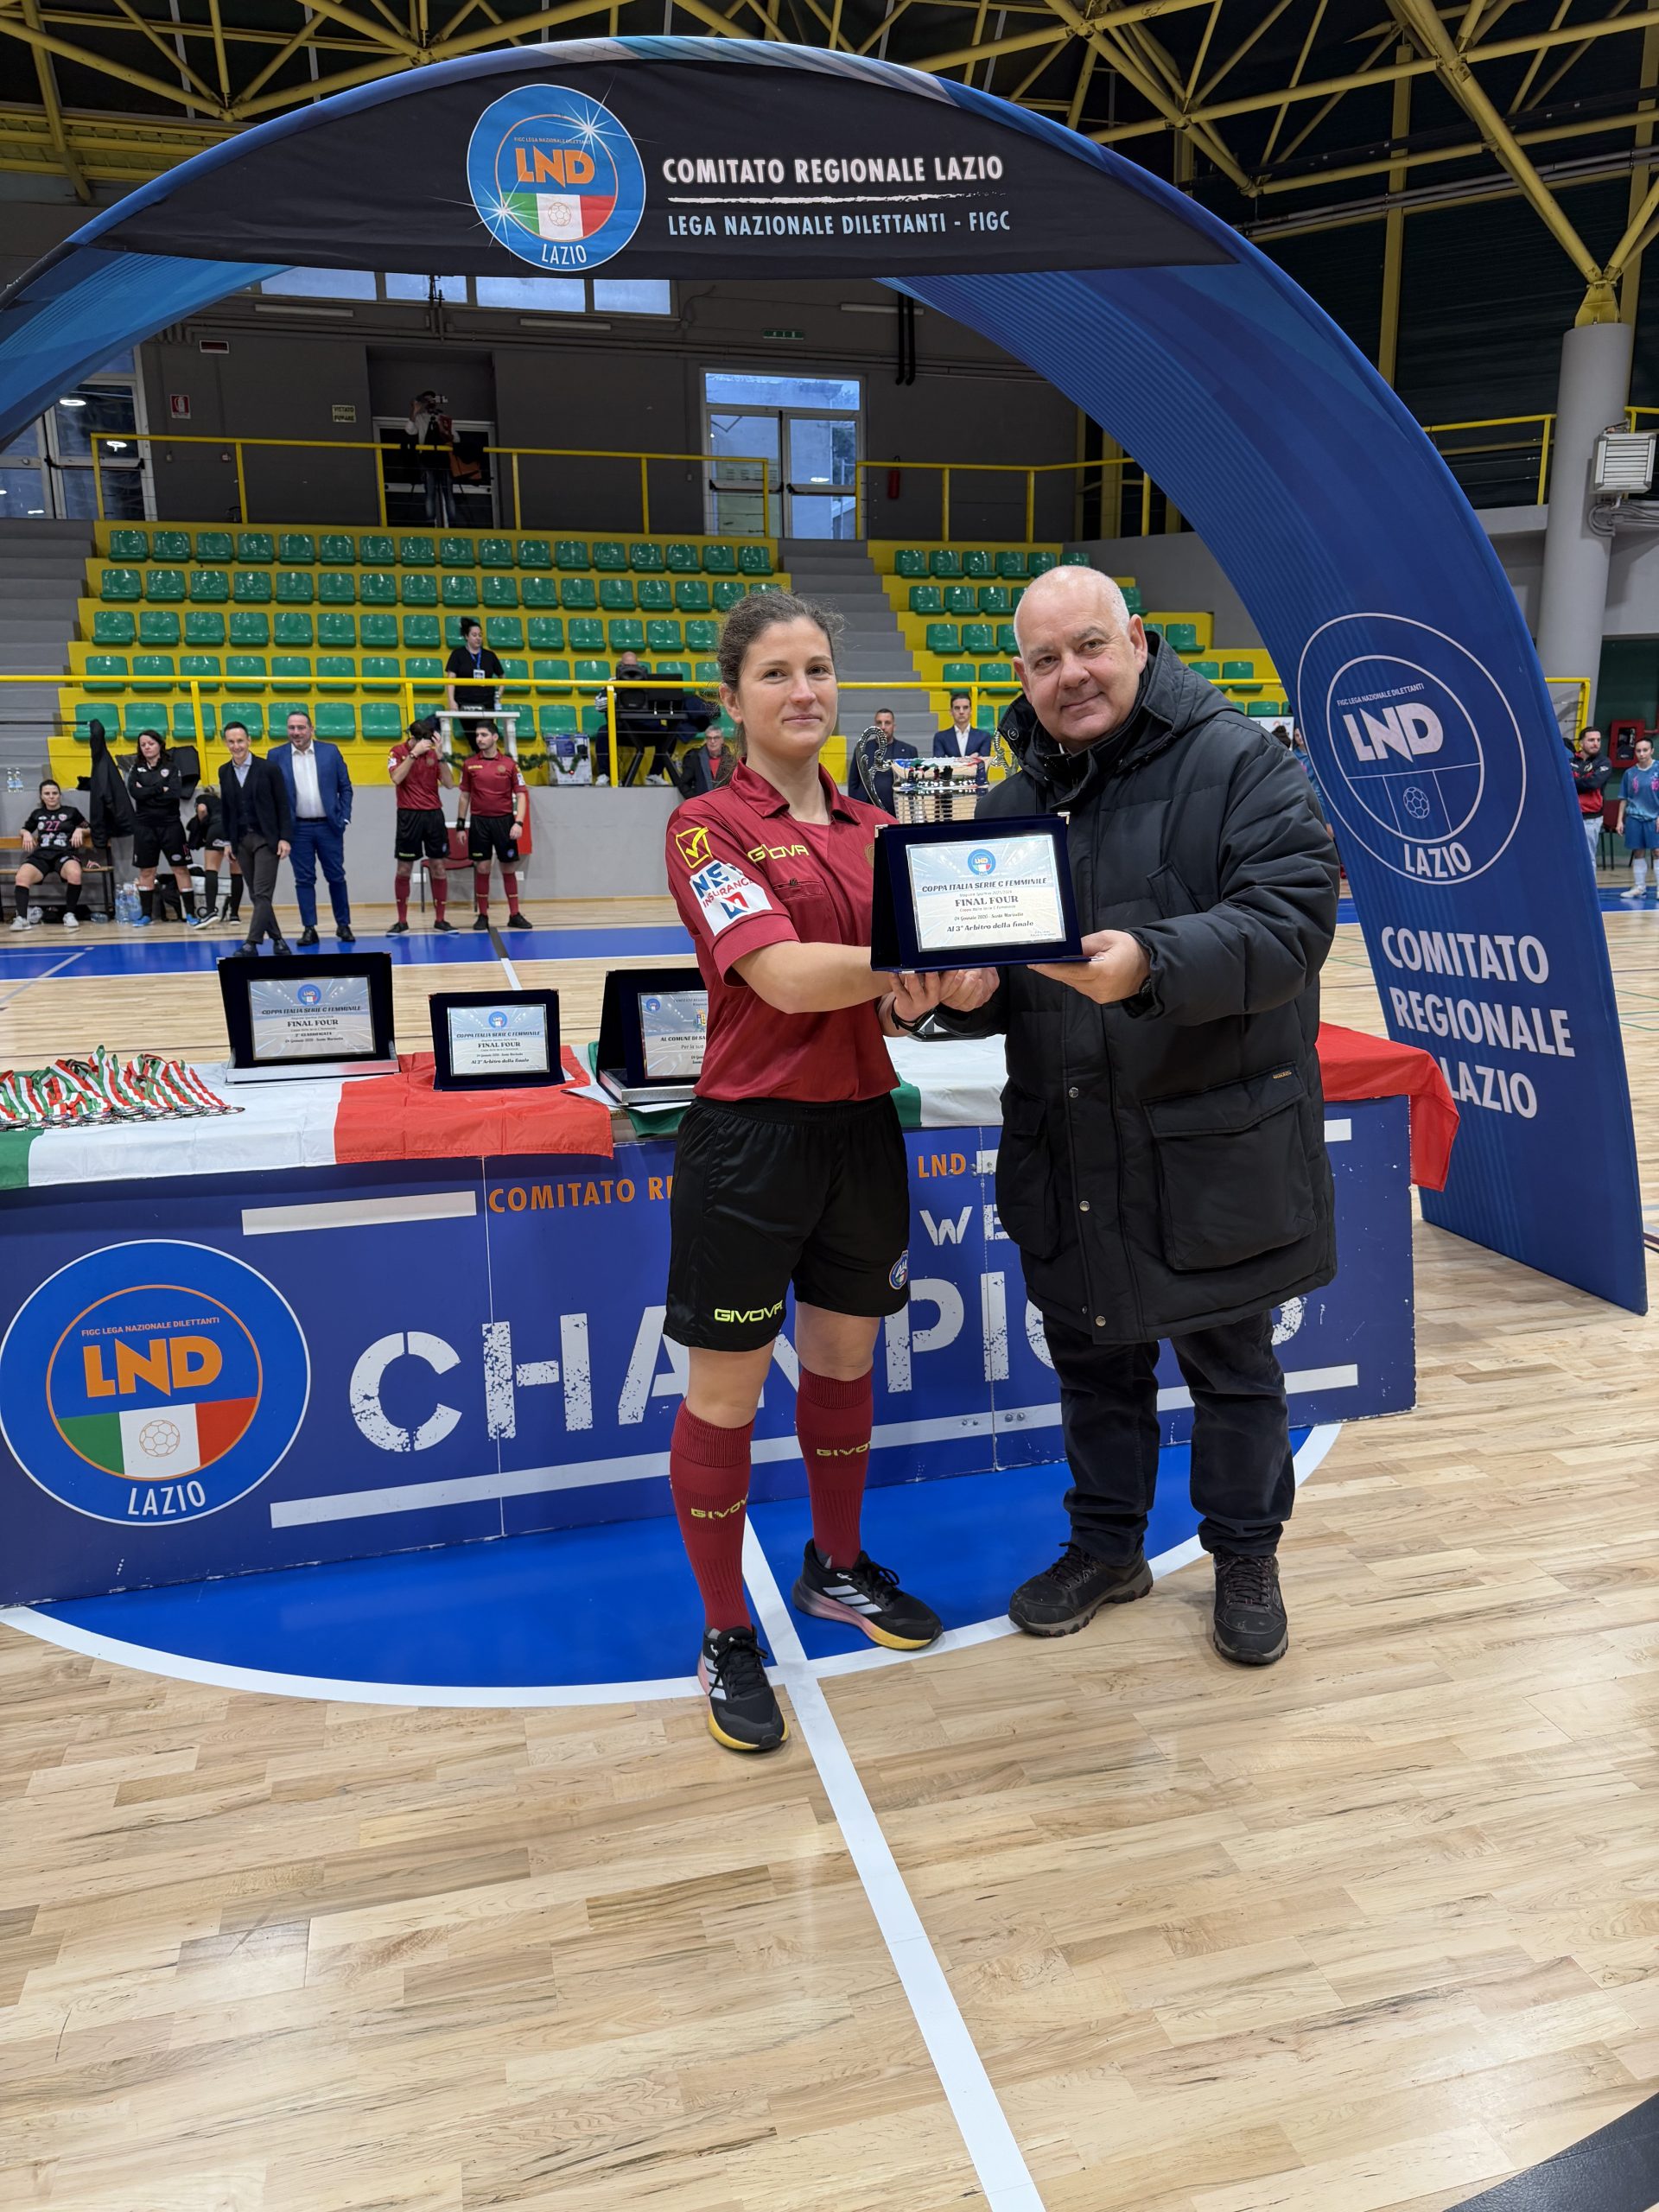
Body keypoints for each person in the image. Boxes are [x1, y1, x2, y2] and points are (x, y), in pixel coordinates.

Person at [935, 565, 1338, 1668]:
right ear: (1020, 674)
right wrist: (962, 996)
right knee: (1093, 1361)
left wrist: (1152, 962)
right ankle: (1108, 1547)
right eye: (1045, 659)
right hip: (1070, 1140)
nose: (1071, 674)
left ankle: (1245, 1553)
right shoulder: (1009, 805)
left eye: (1090, 646)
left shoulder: (1242, 762)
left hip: (1209, 1151)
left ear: (1140, 641)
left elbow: (1292, 922)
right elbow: (1006, 981)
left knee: (1233, 1369)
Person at [662, 590, 995, 1755]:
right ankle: (724, 1631)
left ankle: (835, 1566)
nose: (803, 691)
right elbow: (788, 977)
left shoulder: (878, 830)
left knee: (847, 1366)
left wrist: (954, 983)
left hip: (861, 1130)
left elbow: (892, 1000)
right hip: (749, 1142)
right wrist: (913, 959)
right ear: (733, 698)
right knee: (727, 1398)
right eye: (775, 674)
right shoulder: (705, 826)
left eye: (817, 669)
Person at [270, 708, 354, 945]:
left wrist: (344, 817)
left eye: (301, 727)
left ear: (311, 729)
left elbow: (345, 787)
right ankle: (309, 928)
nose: (296, 732)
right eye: (291, 728)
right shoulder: (276, 755)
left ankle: (343, 925)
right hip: (297, 829)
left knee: (336, 876)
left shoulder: (330, 751)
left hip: (329, 826)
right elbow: (271, 795)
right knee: (304, 880)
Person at [217, 720, 292, 954]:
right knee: (257, 895)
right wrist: (227, 841)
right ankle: (278, 941)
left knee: (261, 892)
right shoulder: (224, 771)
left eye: (240, 741)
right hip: (240, 841)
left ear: (249, 741)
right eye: (231, 742)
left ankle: (252, 943)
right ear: (226, 743)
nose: (236, 746)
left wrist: (285, 837)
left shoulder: (268, 769)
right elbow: (226, 809)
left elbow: (283, 804)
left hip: (266, 839)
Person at [454, 721, 530, 931]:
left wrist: (519, 822)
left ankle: (515, 914)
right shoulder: (469, 764)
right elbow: (464, 796)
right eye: (477, 735)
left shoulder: (510, 765)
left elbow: (521, 795)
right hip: (480, 823)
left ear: (495, 737)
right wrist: (460, 825)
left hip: (504, 822)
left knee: (508, 867)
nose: (479, 739)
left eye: (484, 735)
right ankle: (483, 915)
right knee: (482, 867)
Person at [386, 713, 455, 935]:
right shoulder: (397, 752)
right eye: (422, 741)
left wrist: (441, 756)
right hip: (409, 815)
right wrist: (413, 755)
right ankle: (402, 921)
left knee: (439, 867)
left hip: (433, 815)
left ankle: (441, 919)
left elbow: (450, 784)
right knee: (404, 868)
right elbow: (396, 778)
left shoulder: (433, 753)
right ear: (413, 739)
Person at [125, 729, 203, 926]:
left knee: (180, 869)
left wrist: (148, 792)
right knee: (146, 871)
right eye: (143, 745)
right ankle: (146, 915)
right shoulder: (136, 769)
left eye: (151, 743)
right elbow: (135, 793)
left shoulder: (172, 767)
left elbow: (174, 794)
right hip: (145, 827)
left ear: (159, 745)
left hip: (171, 826)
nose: (147, 747)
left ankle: (190, 914)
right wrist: (160, 788)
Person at [12, 779, 88, 931]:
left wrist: (80, 830)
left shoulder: (71, 812)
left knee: (75, 873)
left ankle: (69, 914)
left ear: (60, 795)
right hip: (42, 855)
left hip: (64, 854)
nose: (51, 796)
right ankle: (22, 918)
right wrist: (26, 833)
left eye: (55, 793)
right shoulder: (37, 814)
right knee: (21, 877)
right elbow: (24, 828)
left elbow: (89, 827)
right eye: (47, 794)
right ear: (42, 796)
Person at [444, 618, 505, 743]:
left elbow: (502, 677)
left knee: (486, 737)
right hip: (465, 703)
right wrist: (451, 701)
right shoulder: (457, 654)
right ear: (467, 636)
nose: (478, 638)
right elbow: (451, 679)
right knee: (474, 739)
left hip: (487, 703)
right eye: (474, 635)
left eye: (480, 635)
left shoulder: (490, 655)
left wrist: (498, 696)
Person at [188, 787, 242, 927]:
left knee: (211, 869)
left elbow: (202, 810)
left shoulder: (204, 798)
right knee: (236, 872)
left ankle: (211, 912)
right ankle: (234, 915)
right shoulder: (231, 799)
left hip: (217, 827)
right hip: (235, 830)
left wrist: (202, 825)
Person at [851, 705, 918, 814]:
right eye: (879, 723)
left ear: (894, 726)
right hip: (866, 809)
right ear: (874, 726)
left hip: (898, 811)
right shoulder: (862, 749)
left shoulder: (909, 751)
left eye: (887, 723)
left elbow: (914, 783)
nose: (883, 727)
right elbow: (854, 781)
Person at [406, 391, 455, 527]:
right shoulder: (420, 418)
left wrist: (444, 430)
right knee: (430, 493)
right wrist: (415, 410)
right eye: (427, 400)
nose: (430, 403)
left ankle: (452, 523)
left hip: (444, 461)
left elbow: (456, 438)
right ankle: (430, 524)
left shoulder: (443, 417)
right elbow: (409, 430)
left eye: (432, 400)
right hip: (427, 461)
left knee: (448, 493)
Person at [1619, 734, 1659, 899]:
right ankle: (1639, 887)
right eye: (1638, 751)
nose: (1642, 754)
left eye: (1645, 750)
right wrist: (1619, 820)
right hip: (1634, 817)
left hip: (1654, 817)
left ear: (1652, 751)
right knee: (1638, 851)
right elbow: (1624, 798)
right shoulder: (1630, 773)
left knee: (1657, 851)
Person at [1573, 728, 1616, 869]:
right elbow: (1559, 783)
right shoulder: (1569, 761)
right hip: (1569, 816)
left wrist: (1572, 782)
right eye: (1591, 740)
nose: (1596, 743)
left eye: (1598, 740)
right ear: (1581, 743)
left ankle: (1589, 886)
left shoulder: (1604, 762)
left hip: (1590, 819)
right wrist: (1580, 782)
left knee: (1588, 858)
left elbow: (1593, 783)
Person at [676, 722, 737, 798]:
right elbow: (683, 783)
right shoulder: (696, 758)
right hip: (703, 803)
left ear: (722, 740)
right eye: (709, 738)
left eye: (716, 738)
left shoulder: (731, 760)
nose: (712, 741)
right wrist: (695, 799)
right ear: (706, 740)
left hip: (724, 802)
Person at [931, 690, 992, 760]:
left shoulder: (984, 737)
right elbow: (939, 763)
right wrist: (969, 760)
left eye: (965, 708)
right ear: (951, 712)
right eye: (957, 708)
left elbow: (983, 763)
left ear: (971, 711)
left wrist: (950, 761)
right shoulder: (940, 737)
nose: (961, 712)